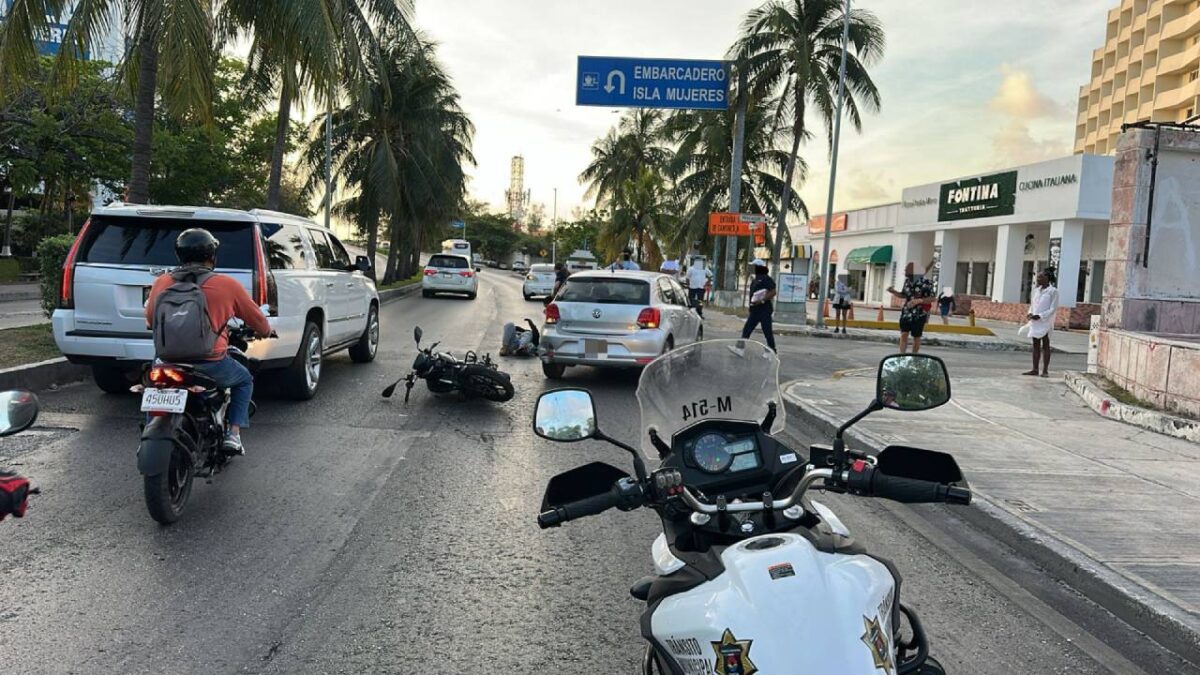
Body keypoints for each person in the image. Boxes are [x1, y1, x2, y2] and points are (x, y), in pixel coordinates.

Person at [144, 229, 272, 454]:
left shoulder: (161, 282)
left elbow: (150, 319)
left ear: (179, 256)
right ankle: (233, 434)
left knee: (157, 388)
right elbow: (259, 322)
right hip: (210, 363)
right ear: (212, 256)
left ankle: (149, 429)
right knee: (244, 380)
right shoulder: (226, 285)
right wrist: (265, 330)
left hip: (166, 360)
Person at [886, 262, 935, 354]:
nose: (905, 271)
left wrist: (919, 301)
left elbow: (932, 298)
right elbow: (904, 295)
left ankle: (914, 355)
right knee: (904, 334)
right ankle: (901, 355)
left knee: (916, 336)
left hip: (919, 314)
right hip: (906, 312)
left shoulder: (926, 282)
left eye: (907, 269)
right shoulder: (907, 281)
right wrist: (893, 292)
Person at [1024, 269, 1059, 377]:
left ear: (1047, 278)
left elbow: (1053, 308)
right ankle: (1035, 369)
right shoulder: (1036, 291)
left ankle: (1045, 371)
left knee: (1046, 344)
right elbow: (1033, 305)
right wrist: (1030, 313)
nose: (1038, 279)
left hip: (1045, 321)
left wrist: (1040, 316)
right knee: (1035, 344)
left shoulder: (1053, 291)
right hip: (1035, 321)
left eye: (1041, 277)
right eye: (1037, 277)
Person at [741, 259, 777, 351]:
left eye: (754, 266)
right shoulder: (755, 280)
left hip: (764, 310)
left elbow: (773, 292)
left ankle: (772, 351)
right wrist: (750, 308)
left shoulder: (766, 279)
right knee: (746, 330)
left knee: (767, 332)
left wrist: (762, 301)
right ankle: (740, 348)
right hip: (755, 311)